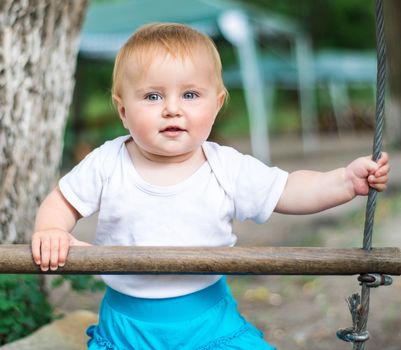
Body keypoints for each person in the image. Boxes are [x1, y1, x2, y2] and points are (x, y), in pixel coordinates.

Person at [31, 23, 390, 350]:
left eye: (189, 95)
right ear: (123, 111)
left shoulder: (225, 166)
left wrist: (343, 180)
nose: (172, 109)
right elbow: (63, 200)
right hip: (128, 326)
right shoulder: (107, 162)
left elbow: (288, 190)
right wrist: (51, 229)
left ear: (216, 105)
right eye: (153, 96)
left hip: (208, 323)